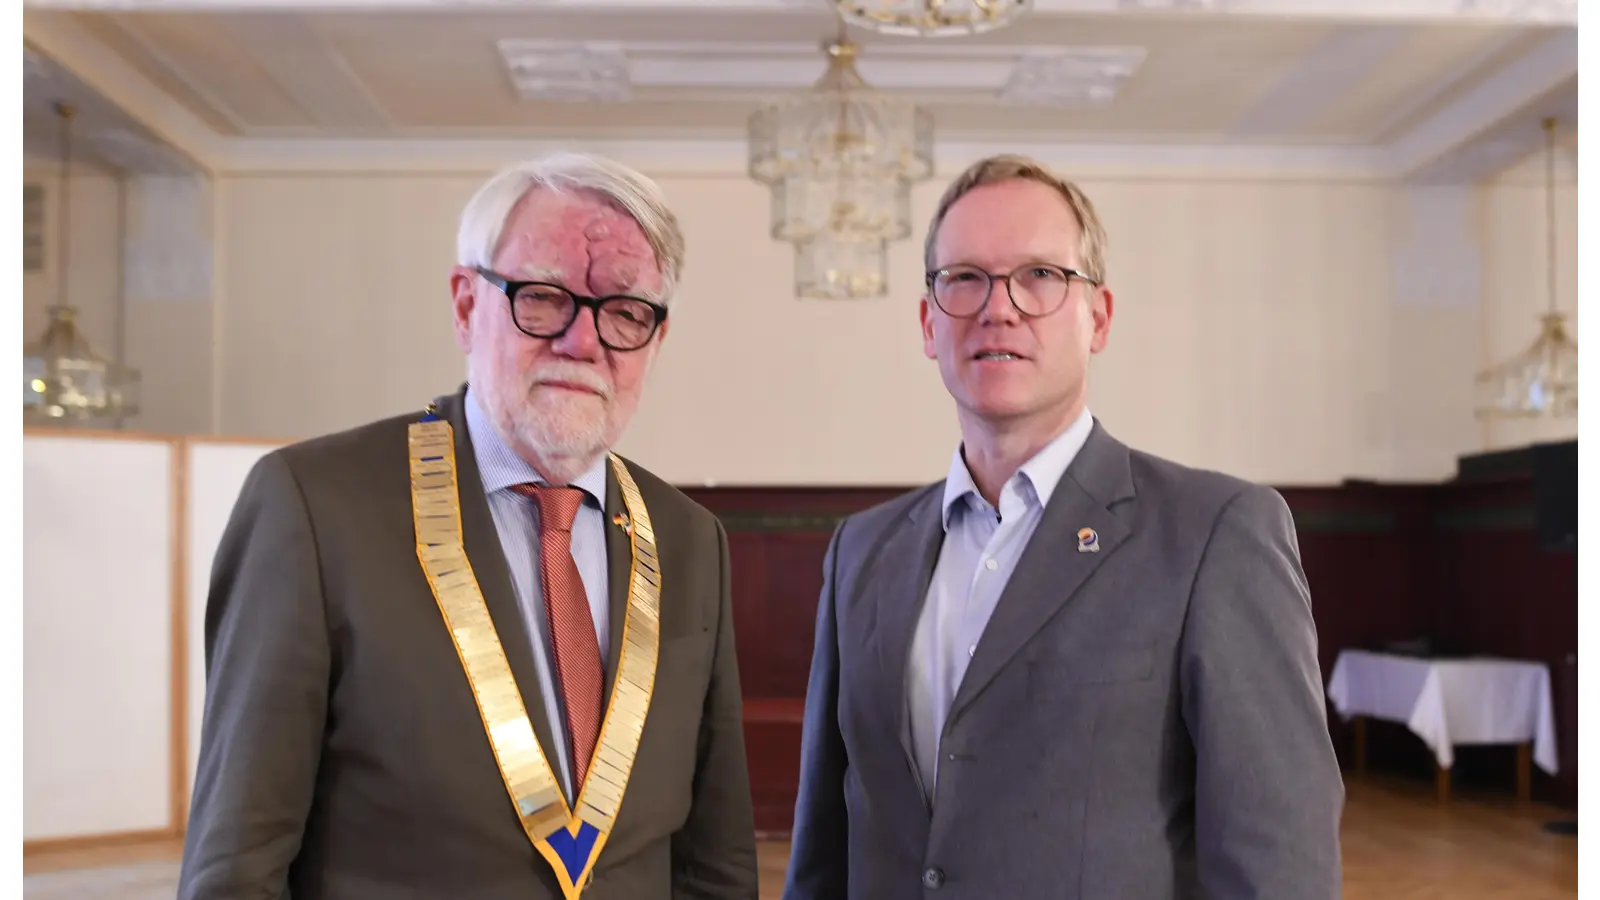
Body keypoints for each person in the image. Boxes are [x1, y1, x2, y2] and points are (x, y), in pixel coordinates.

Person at [179, 152, 758, 900]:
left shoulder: (688, 539)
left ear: (655, 338)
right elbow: (238, 869)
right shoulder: (317, 509)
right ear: (464, 304)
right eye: (543, 296)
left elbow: (714, 863)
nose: (583, 343)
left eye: (623, 312)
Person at [782, 154, 1344, 900]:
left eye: (1041, 276)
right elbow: (825, 848)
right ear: (928, 322)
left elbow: (1278, 864)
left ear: (1098, 318)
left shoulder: (1215, 535)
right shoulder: (862, 551)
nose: (999, 307)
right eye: (965, 278)